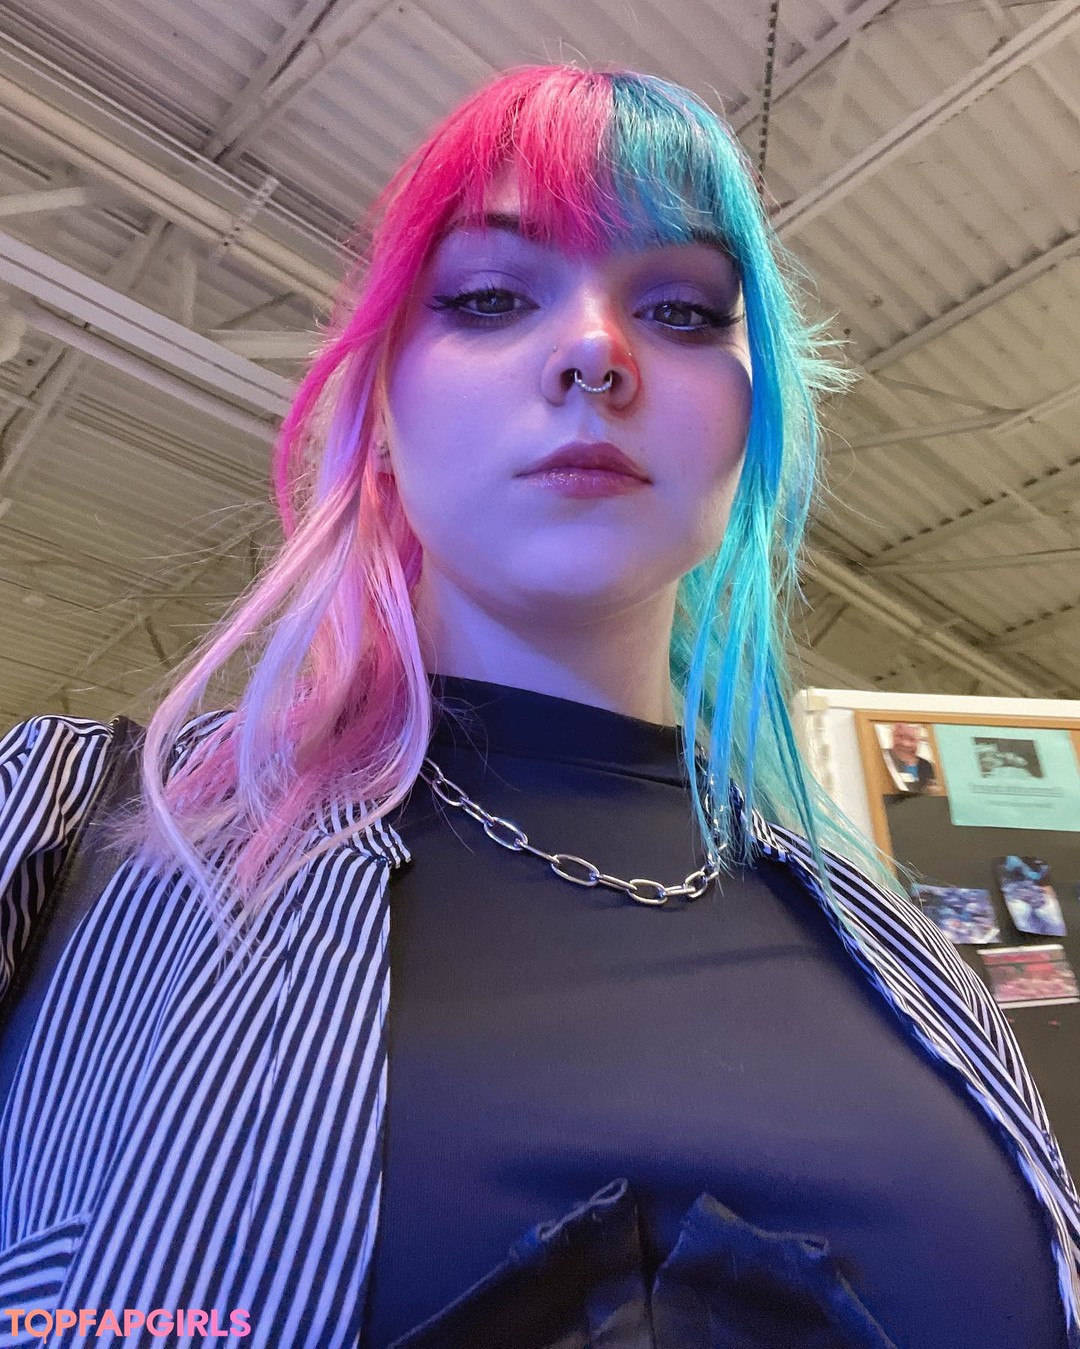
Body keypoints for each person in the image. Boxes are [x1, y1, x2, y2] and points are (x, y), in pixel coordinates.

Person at [0, 65, 1077, 1349]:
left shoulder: (919, 967)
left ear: (753, 421)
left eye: (682, 310)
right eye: (491, 296)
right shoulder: (75, 835)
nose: (595, 351)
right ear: (382, 402)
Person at [882, 722, 939, 795]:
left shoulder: (927, 765)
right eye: (900, 736)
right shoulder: (883, 758)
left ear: (918, 742)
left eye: (911, 739)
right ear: (892, 736)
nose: (905, 743)